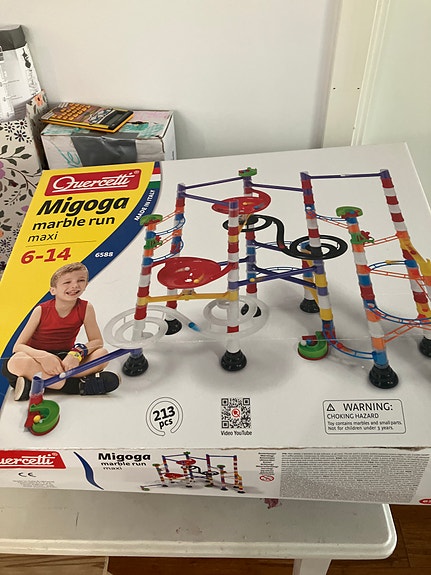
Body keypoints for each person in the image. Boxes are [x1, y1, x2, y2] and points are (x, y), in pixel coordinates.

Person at [2, 261, 119, 401]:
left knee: (102, 354)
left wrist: (77, 354)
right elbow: (18, 346)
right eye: (67, 282)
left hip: (63, 360)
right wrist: (44, 357)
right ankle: (77, 386)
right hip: (36, 358)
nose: (75, 285)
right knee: (17, 361)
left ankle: (38, 383)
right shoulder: (41, 310)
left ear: (86, 285)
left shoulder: (86, 308)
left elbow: (97, 342)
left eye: (80, 280)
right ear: (53, 290)